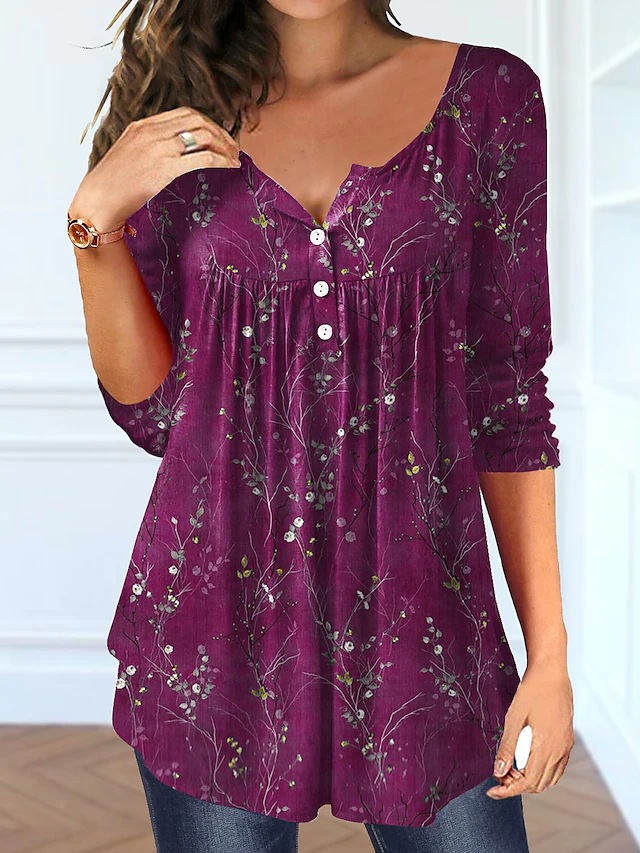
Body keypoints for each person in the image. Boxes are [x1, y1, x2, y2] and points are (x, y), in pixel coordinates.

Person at [68, 1, 574, 850]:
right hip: (215, 643)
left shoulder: (491, 98)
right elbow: (156, 412)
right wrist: (95, 227)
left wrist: (549, 654)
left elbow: (508, 397)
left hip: (427, 636)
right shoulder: (175, 109)